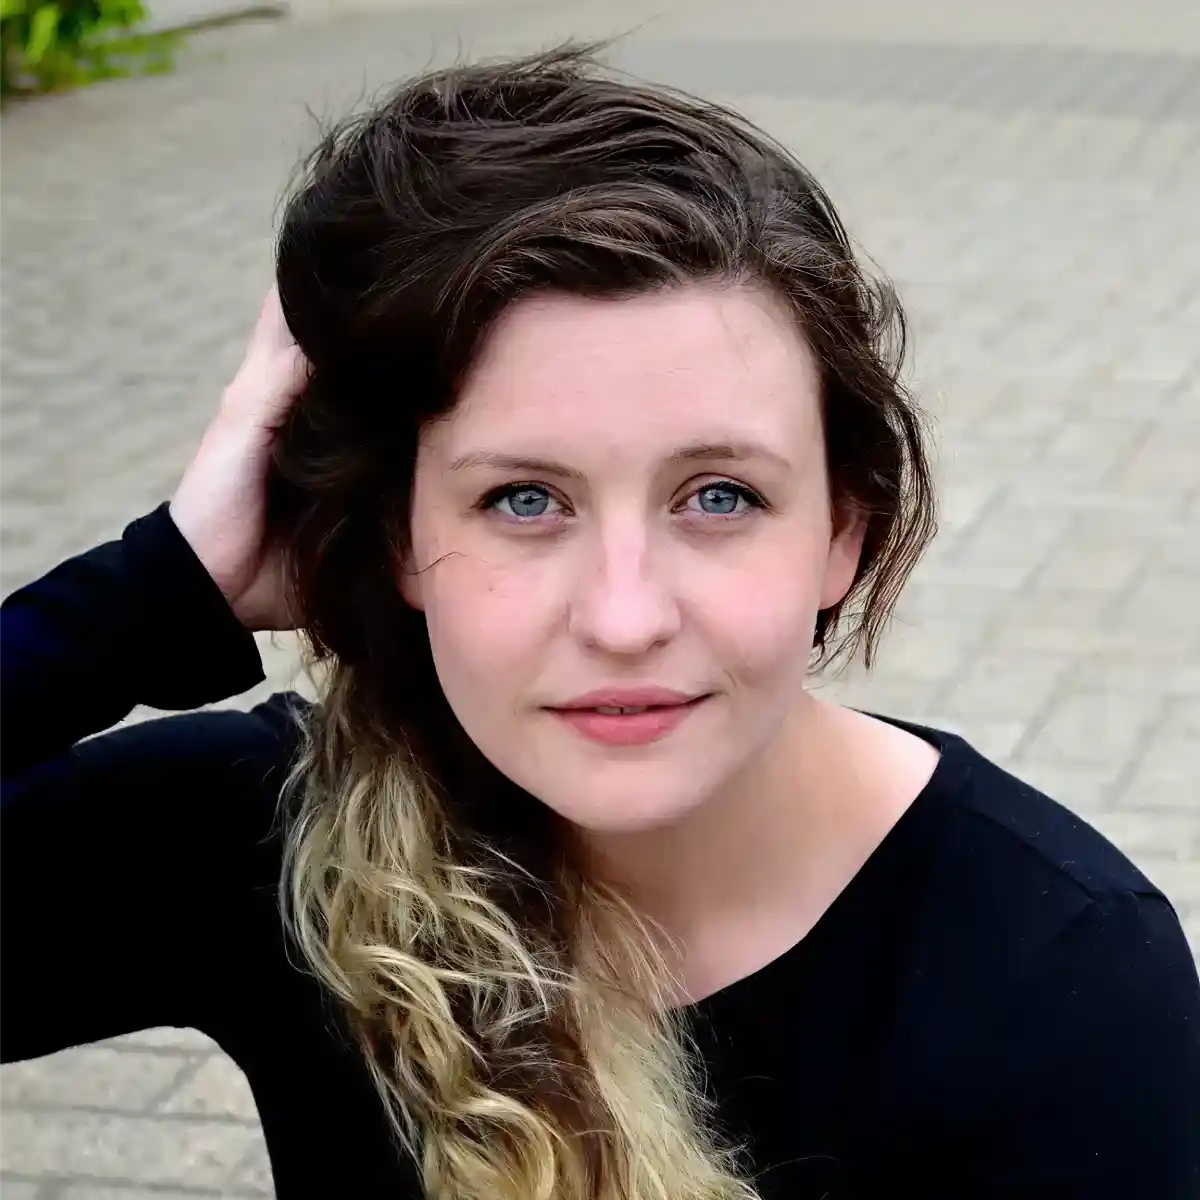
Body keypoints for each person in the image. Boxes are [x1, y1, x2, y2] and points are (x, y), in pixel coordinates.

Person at [1, 46, 1198, 1200]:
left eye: (718, 496)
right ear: (400, 537)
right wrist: (161, 587)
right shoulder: (295, 840)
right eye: (524, 500)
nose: (626, 618)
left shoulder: (1063, 982)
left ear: (843, 527)